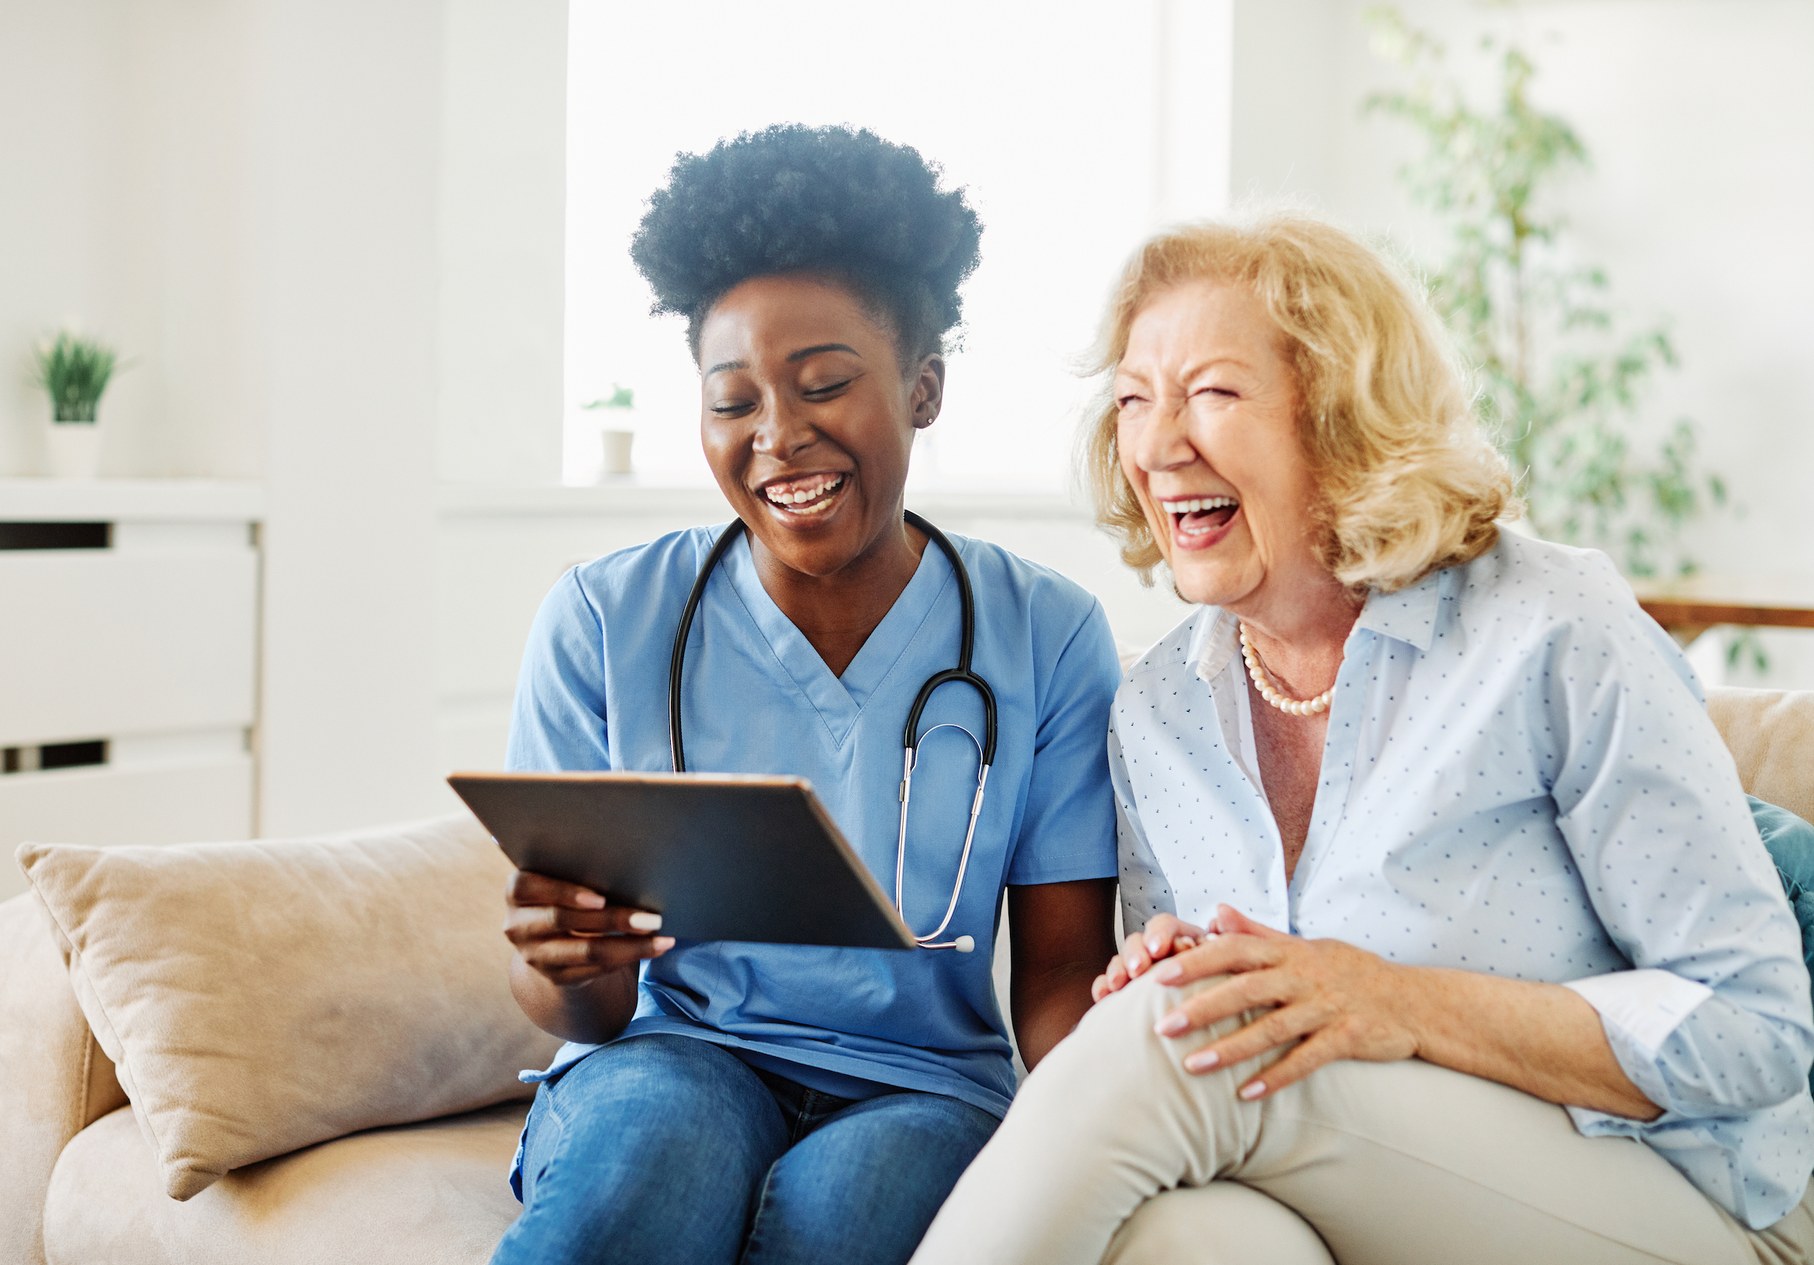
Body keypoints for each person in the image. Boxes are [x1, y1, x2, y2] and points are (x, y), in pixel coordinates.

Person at [909, 211, 1814, 1264]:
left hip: (1682, 1198)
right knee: (1184, 1233)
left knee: (1178, 1043)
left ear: (1341, 417)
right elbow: (1254, 1046)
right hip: (1375, 1193)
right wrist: (1191, 968)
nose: (1156, 446)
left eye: (1211, 392)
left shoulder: (1552, 625)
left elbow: (1754, 1029)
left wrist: (1390, 1000)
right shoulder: (1160, 708)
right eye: (1132, 401)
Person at [490, 125, 1122, 1265]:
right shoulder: (601, 622)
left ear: (923, 387)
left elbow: (1062, 975)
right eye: (733, 401)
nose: (779, 437)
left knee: (850, 1211)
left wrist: (1137, 1107)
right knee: (652, 1155)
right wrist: (562, 970)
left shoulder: (1049, 636)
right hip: (674, 1055)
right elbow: (587, 1012)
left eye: (825, 384)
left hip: (926, 1090)